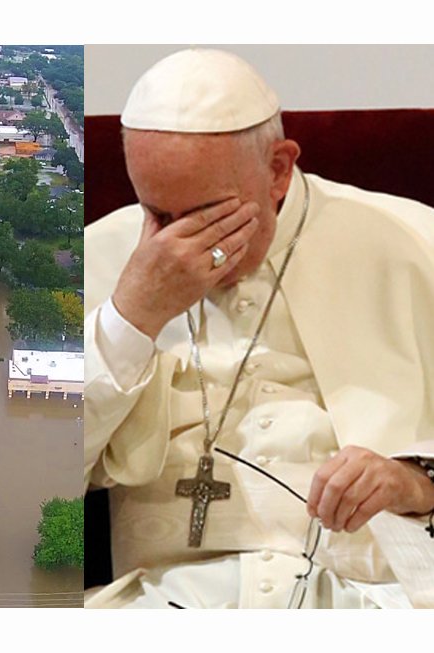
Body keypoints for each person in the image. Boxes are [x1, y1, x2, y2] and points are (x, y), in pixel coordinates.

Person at [84, 48, 434, 609]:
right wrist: (132, 316)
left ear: (278, 167)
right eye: (156, 213)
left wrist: (414, 481)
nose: (178, 244)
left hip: (375, 600)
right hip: (164, 603)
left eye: (207, 215)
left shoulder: (415, 241)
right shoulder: (99, 256)